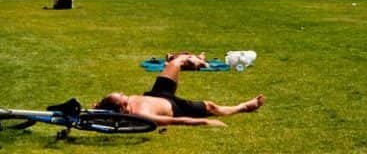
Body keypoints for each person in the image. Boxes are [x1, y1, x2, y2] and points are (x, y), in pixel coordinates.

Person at [93, 53, 265, 127]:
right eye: (125, 101)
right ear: (123, 110)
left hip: (157, 93)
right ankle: (243, 107)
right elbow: (176, 122)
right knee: (211, 107)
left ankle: (194, 59)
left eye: (126, 96)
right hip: (173, 107)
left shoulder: (114, 103)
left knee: (175, 63)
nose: (129, 98)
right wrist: (205, 122)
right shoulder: (142, 115)